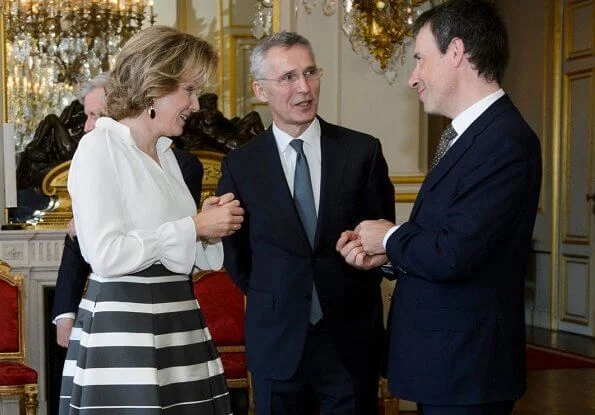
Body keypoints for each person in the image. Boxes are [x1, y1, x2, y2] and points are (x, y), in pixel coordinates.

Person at [337, 1, 542, 414]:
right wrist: (386, 254)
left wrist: (391, 236)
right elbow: (451, 238)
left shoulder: (503, 141)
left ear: (455, 52)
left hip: (470, 368)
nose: (412, 78)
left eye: (418, 59)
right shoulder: (470, 136)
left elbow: (454, 253)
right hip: (449, 363)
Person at [59, 26, 244, 414]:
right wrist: (193, 227)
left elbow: (181, 251)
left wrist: (207, 228)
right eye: (189, 91)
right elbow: (106, 255)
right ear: (154, 88)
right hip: (123, 330)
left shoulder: (168, 154)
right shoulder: (99, 148)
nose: (195, 104)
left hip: (179, 319)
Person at [217, 31, 395, 415]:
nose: (304, 87)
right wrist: (280, 292)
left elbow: (381, 237)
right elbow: (237, 257)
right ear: (260, 90)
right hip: (277, 343)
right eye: (288, 77)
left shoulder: (362, 151)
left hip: (349, 343)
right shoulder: (241, 166)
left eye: (310, 72)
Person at [51, 73, 203, 349]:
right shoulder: (95, 151)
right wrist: (65, 310)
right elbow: (88, 249)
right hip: (121, 313)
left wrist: (203, 227)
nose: (88, 126)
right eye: (88, 115)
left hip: (173, 306)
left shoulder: (176, 160)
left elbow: (183, 240)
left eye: (96, 116)